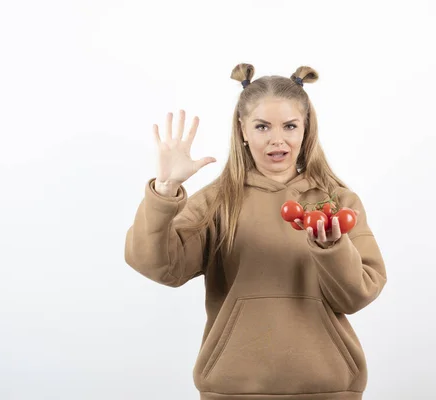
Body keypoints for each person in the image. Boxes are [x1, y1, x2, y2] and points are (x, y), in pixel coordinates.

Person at [124, 63, 387, 400]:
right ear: (242, 130)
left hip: (329, 388)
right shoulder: (217, 201)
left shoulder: (339, 204)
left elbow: (358, 294)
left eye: (290, 126)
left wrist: (332, 249)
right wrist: (164, 190)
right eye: (262, 126)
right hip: (233, 388)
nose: (277, 139)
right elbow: (160, 266)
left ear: (306, 130)